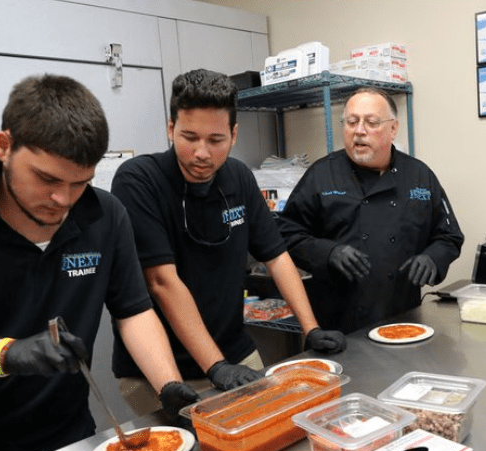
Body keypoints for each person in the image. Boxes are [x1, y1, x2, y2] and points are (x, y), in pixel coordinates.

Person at [0, 74, 199, 451]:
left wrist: (169, 387)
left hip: (69, 440)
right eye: (47, 179)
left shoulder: (105, 215)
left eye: (80, 183)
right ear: (3, 146)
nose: (63, 200)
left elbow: (134, 311)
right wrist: (6, 354)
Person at [111, 69, 345, 415]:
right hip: (162, 370)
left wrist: (310, 328)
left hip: (234, 352)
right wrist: (214, 366)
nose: (201, 153)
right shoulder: (138, 181)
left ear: (234, 135)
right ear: (170, 129)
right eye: (189, 137)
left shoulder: (239, 177)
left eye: (215, 140)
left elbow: (277, 256)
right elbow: (162, 282)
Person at [277, 88, 464, 333]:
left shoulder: (420, 176)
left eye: (372, 122)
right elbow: (286, 233)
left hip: (404, 316)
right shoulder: (322, 175)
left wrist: (433, 258)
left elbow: (449, 236)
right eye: (351, 122)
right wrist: (328, 253)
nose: (359, 131)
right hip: (337, 324)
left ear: (393, 129)